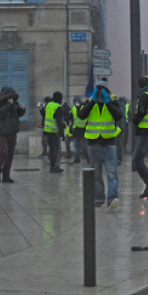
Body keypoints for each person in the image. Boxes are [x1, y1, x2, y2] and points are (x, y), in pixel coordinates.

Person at [79, 82, 123, 210]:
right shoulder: (89, 103)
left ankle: (112, 199)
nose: (100, 95)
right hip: (94, 143)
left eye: (102, 92)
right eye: (97, 92)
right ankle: (99, 198)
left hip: (109, 142)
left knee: (111, 172)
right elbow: (81, 115)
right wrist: (92, 102)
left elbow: (118, 116)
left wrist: (108, 103)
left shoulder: (113, 103)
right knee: (96, 173)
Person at [0, 87, 25, 182]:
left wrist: (22, 109)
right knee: (3, 152)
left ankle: (6, 174)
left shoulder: (15, 104)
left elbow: (19, 114)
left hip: (12, 132)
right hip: (1, 132)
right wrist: (8, 105)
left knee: (10, 154)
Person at [42, 92, 69, 174]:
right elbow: (58, 122)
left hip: (47, 131)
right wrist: (62, 134)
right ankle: (55, 166)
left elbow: (45, 117)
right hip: (54, 132)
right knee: (56, 150)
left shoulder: (48, 105)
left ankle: (52, 166)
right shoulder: (58, 107)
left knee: (51, 149)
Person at [69, 96, 87, 164]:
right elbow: (71, 117)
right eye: (76, 101)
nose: (77, 102)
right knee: (76, 146)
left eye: (78, 100)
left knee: (86, 146)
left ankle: (89, 159)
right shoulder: (73, 108)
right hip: (76, 130)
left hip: (84, 129)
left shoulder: (84, 107)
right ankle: (77, 160)